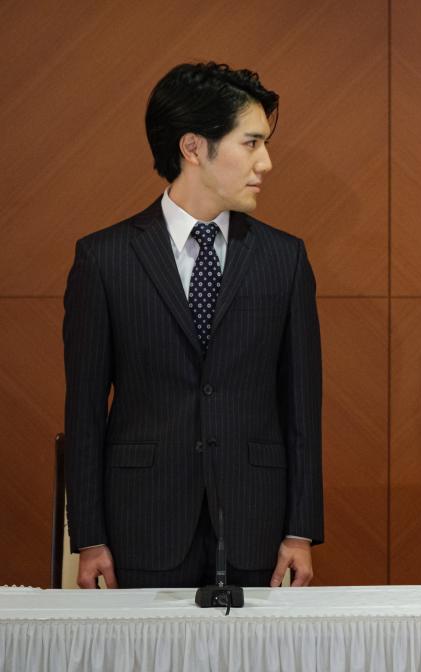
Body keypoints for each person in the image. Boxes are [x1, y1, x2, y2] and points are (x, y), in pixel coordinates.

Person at [63, 62, 323, 589]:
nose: (266, 163)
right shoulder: (104, 258)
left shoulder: (285, 259)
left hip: (257, 525)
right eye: (251, 143)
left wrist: (300, 531)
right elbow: (84, 410)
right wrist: (89, 537)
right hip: (140, 526)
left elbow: (301, 406)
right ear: (193, 147)